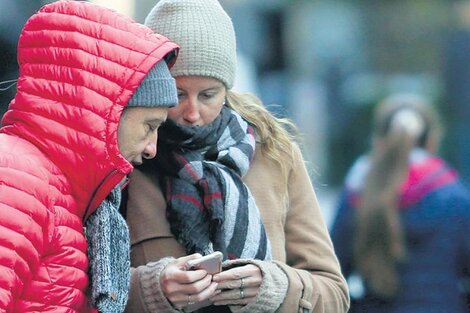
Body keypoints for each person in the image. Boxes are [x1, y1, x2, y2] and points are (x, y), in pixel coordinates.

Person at [122, 0, 350, 312]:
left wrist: (273, 286)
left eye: (208, 95)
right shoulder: (126, 161)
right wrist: (153, 288)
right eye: (176, 95)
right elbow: (80, 289)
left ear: (227, 89)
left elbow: (335, 294)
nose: (192, 113)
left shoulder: (274, 154)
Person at [0, 1, 179, 312]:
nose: (152, 147)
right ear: (108, 113)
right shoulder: (18, 181)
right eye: (149, 126)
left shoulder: (56, 189)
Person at [330, 94, 470, 313]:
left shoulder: (357, 192)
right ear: (432, 139)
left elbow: (333, 275)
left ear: (378, 140)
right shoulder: (454, 194)